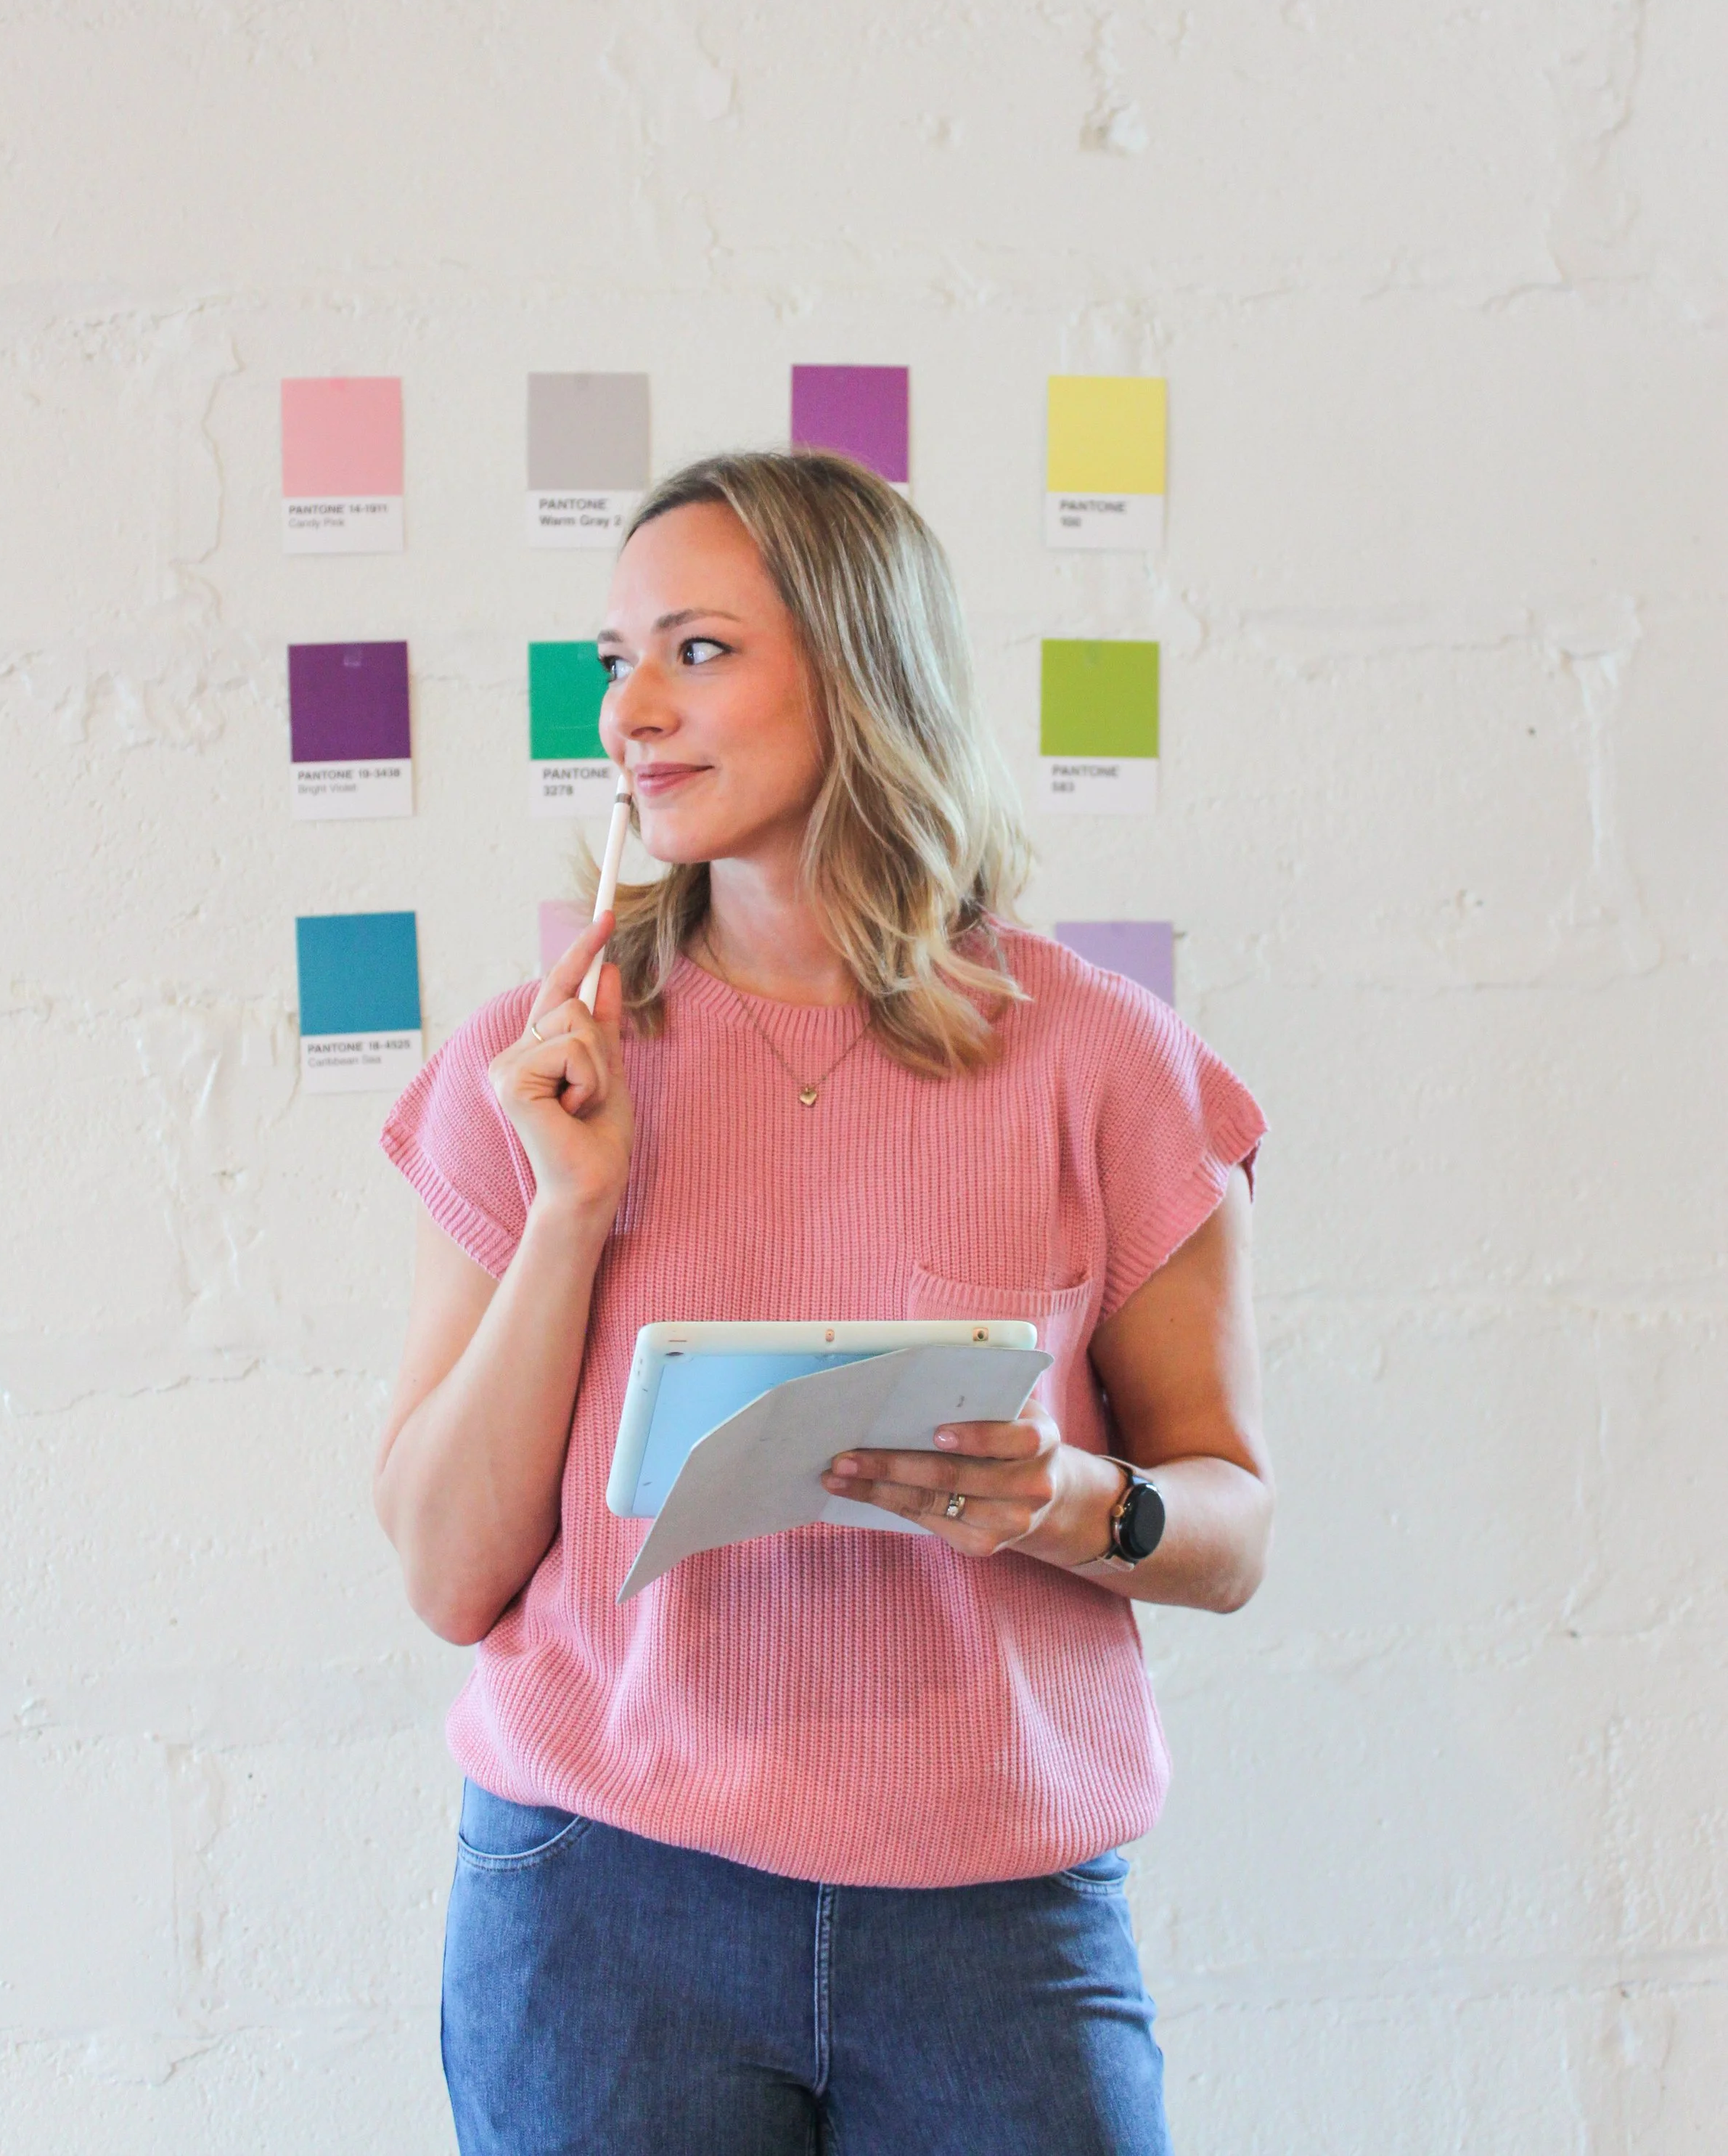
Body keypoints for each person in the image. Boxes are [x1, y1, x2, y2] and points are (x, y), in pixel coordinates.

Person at [374, 449, 1272, 2156]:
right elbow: (443, 1572)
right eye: (612, 659)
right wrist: (570, 1217)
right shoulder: (534, 1063)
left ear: (862, 672)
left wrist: (1078, 1504)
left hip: (996, 1924)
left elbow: (1228, 1525)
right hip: (602, 1904)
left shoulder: (1101, 1060)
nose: (630, 706)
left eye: (694, 650)